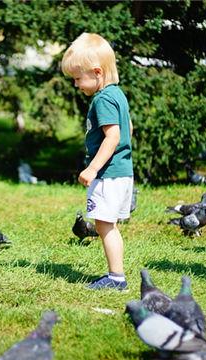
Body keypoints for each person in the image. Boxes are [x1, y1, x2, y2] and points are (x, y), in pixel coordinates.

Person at [61, 33, 134, 290]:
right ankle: (116, 275)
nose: (76, 84)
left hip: (109, 173)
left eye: (78, 78)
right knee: (108, 224)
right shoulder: (118, 94)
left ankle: (116, 278)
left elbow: (113, 136)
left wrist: (93, 167)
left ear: (97, 72)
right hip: (122, 171)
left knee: (105, 226)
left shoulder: (102, 99)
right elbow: (128, 129)